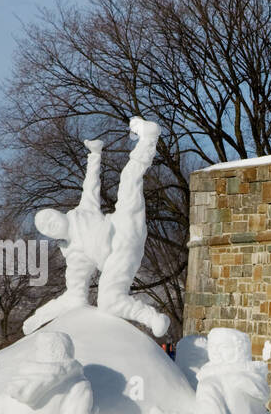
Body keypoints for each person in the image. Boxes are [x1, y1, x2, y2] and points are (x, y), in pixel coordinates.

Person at [25, 117, 170, 337]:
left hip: (124, 223)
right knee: (108, 302)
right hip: (119, 257)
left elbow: (91, 183)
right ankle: (153, 318)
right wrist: (37, 319)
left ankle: (148, 137)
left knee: (129, 178)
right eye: (45, 227)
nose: (49, 223)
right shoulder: (74, 256)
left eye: (49, 217)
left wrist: (94, 154)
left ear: (59, 213)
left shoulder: (83, 211)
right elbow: (74, 297)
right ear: (50, 236)